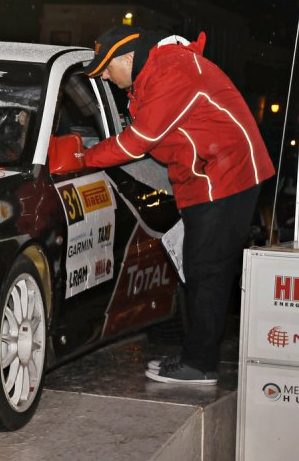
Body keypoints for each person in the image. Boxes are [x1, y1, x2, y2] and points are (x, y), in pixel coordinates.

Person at [82, 25, 275, 385]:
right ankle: (195, 355)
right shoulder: (157, 72)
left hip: (227, 175)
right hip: (210, 176)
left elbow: (139, 140)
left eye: (106, 68)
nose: (104, 77)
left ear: (128, 57)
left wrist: (83, 157)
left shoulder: (170, 72)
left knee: (207, 270)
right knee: (199, 268)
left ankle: (200, 365)